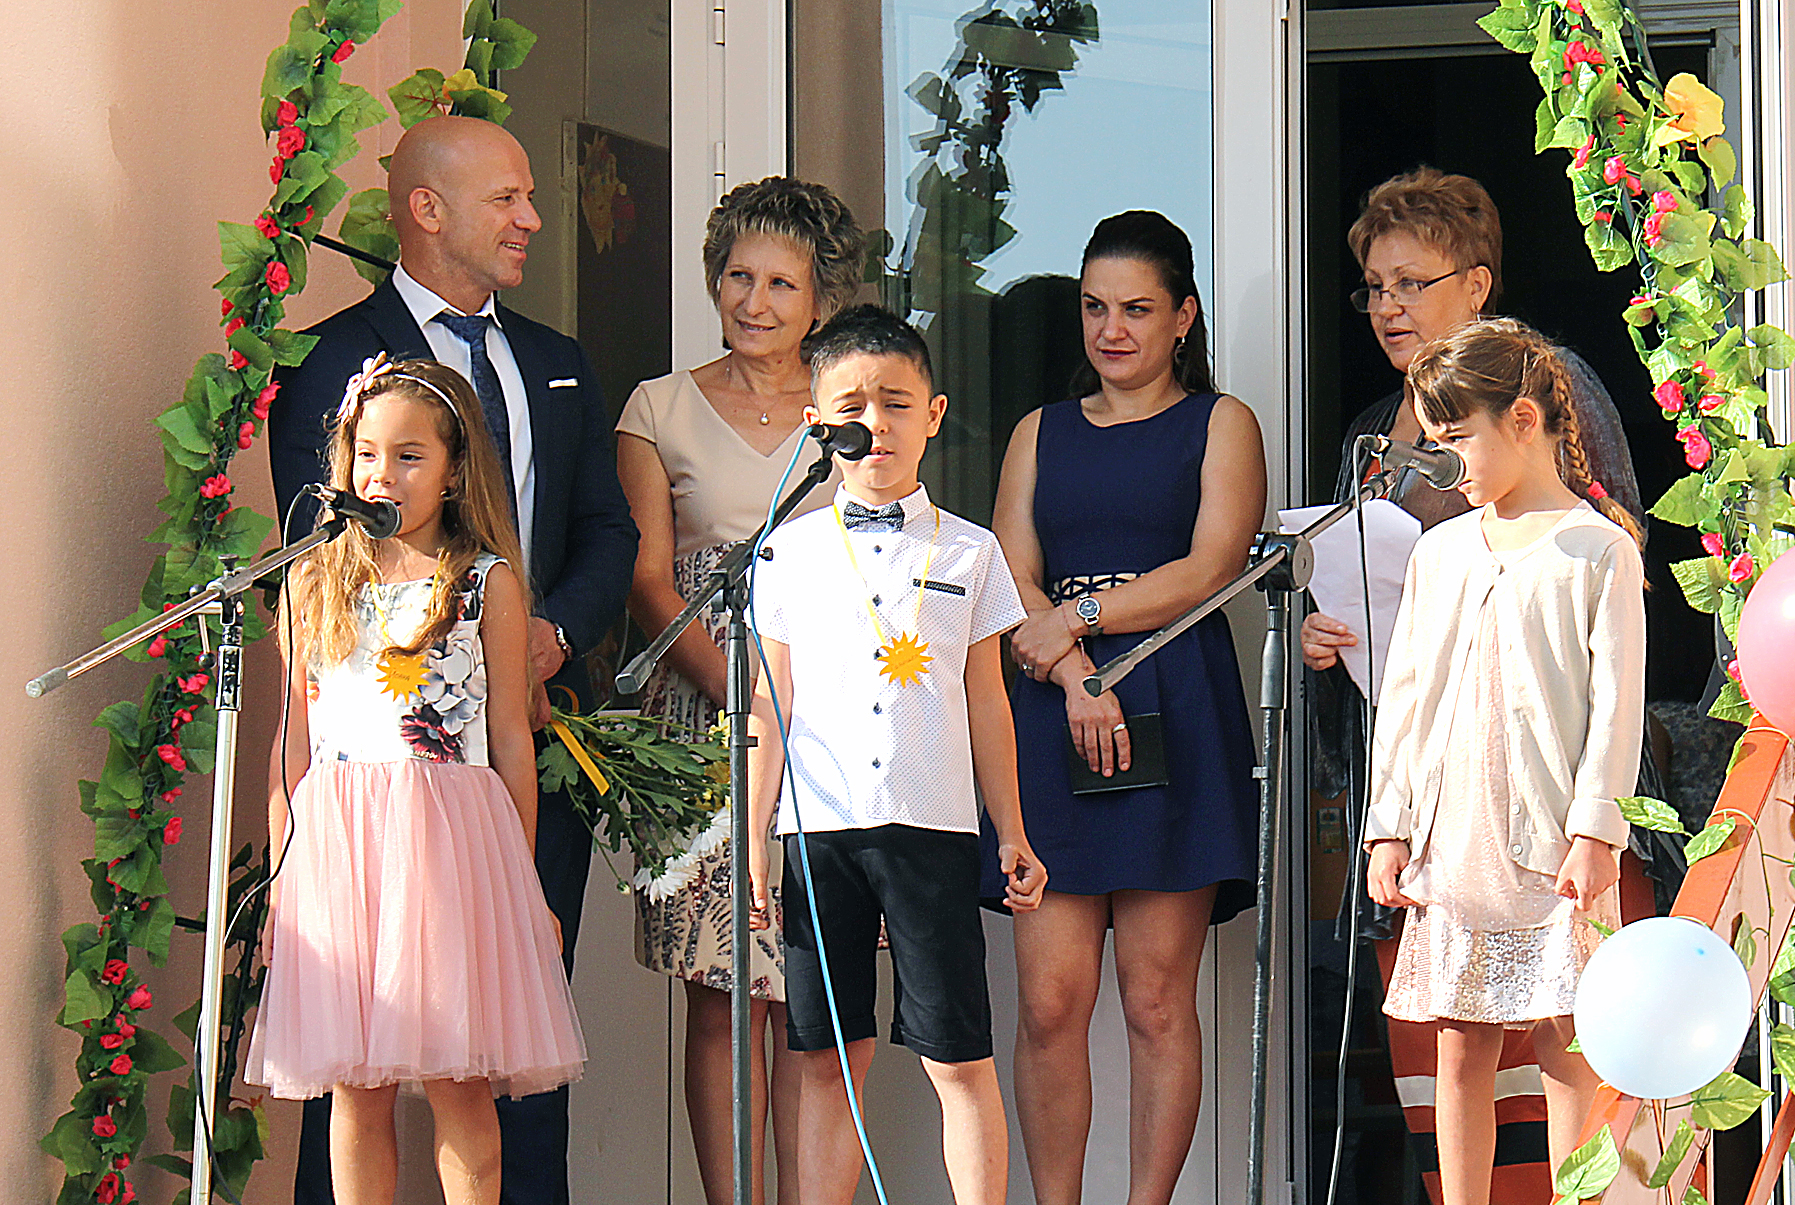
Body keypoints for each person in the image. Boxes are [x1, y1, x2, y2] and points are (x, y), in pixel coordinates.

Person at [266, 115, 637, 1205]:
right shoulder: (329, 360)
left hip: (499, 769)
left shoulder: (557, 362)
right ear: (426, 209)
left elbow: (606, 529)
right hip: (354, 818)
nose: (532, 219)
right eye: (507, 198)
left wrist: (545, 636)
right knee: (355, 1072)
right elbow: (319, 543)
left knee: (502, 1066)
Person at [248, 356, 586, 1205]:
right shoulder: (314, 579)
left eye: (408, 456)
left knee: (457, 1080)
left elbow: (509, 741)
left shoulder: (483, 584)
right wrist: (282, 880)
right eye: (366, 454)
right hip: (340, 853)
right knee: (354, 1089)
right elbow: (293, 743)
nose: (382, 474)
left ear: (454, 468)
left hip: (447, 855)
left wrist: (523, 883)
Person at [743, 305, 1048, 1205]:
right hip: (819, 828)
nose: (874, 424)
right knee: (826, 1055)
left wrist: (1011, 829)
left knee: (956, 1053)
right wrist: (752, 831)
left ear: (934, 413)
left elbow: (986, 698)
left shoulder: (971, 549)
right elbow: (768, 699)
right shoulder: (785, 550)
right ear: (817, 422)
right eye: (851, 407)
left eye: (895, 403)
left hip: (932, 828)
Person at [990, 210, 1264, 1205]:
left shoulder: (1221, 422)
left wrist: (1080, 618)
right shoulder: (1039, 431)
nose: (1111, 330)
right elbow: (1007, 567)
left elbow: (1212, 564)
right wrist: (1073, 669)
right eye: (1094, 307)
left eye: (1137, 309)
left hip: (1173, 703)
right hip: (1051, 703)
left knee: (1154, 999)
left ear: (1183, 316)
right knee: (1047, 1002)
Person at [615, 175, 863, 1205]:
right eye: (737, 277)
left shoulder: (852, 403)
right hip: (700, 708)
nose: (753, 301)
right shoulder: (657, 406)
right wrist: (742, 698)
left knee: (814, 995)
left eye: (780, 283)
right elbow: (646, 579)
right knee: (723, 996)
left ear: (821, 296)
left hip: (835, 713)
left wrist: (804, 707)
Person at [1365, 317, 1646, 1205]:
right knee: (1459, 1037)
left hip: (1551, 839)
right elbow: (1405, 697)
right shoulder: (1440, 550)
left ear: (1523, 420)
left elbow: (1617, 709)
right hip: (1456, 835)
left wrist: (1595, 830)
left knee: (1566, 1035)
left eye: (1457, 439)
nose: (1446, 464)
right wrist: (1388, 825)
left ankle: (1577, 1196)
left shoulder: (1597, 548)